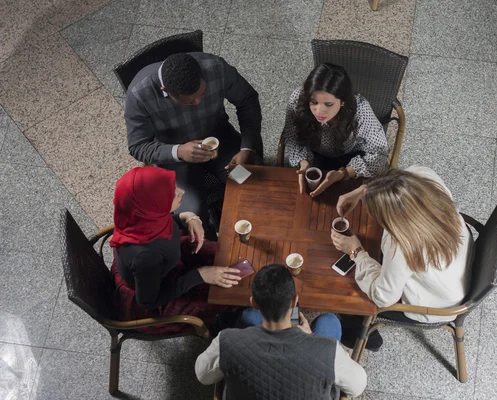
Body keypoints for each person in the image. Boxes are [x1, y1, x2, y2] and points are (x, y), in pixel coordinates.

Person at [331, 165, 472, 351]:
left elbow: (384, 296)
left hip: (437, 304)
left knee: (347, 296)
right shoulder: (426, 178)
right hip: (457, 270)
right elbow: (400, 181)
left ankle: (367, 340)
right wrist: (364, 190)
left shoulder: (401, 246)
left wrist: (356, 251)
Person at [125, 52, 263, 236]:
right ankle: (211, 248)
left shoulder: (216, 67)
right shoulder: (138, 96)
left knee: (250, 186)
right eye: (189, 102)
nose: (198, 102)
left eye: (202, 94)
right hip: (174, 160)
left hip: (220, 140)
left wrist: (247, 148)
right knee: (193, 220)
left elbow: (247, 99)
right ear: (166, 90)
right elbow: (138, 146)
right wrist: (179, 151)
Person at [195, 264, 367, 399]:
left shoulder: (227, 340)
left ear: (254, 302)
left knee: (248, 317)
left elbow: (203, 376)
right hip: (314, 356)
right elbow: (358, 386)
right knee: (329, 321)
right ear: (294, 302)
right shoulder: (329, 351)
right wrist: (311, 338)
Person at [110, 166, 242, 334]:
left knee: (229, 257)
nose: (182, 191)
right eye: (171, 193)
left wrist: (187, 217)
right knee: (227, 293)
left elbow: (166, 220)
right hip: (158, 291)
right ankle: (220, 325)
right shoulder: (146, 256)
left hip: (163, 267)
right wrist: (200, 275)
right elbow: (148, 302)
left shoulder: (140, 213)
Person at [283, 63, 388, 197]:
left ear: (342, 101)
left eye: (328, 104)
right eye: (313, 102)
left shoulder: (361, 110)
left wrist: (344, 173)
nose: (319, 111)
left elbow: (380, 153)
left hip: (350, 158)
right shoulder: (297, 99)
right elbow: (291, 137)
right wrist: (303, 163)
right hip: (314, 155)